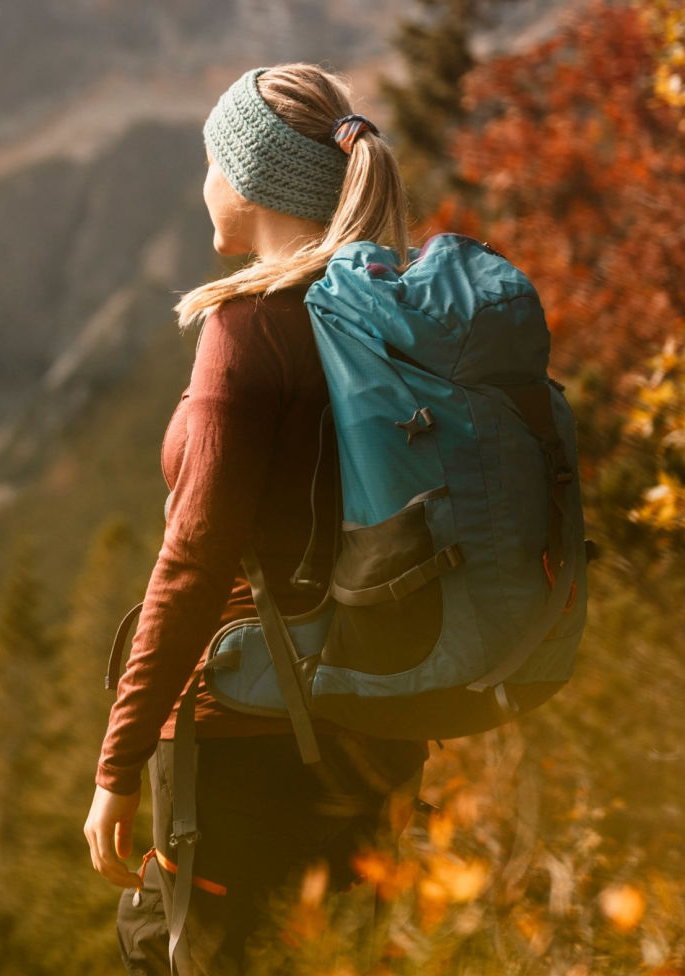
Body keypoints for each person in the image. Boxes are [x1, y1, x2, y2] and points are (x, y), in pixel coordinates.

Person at [83, 62, 428, 975]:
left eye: (209, 160)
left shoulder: (249, 332)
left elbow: (194, 562)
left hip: (245, 738)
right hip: (379, 718)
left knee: (183, 951)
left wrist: (117, 767)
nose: (202, 184)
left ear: (251, 175)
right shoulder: (388, 310)